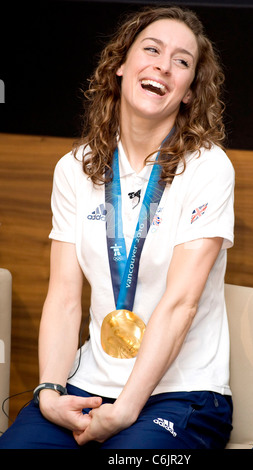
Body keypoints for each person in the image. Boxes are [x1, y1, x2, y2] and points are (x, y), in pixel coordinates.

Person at [0, 5, 235, 449]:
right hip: (85, 385)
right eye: (151, 50)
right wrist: (49, 391)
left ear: (188, 91)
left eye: (182, 61)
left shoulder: (208, 168)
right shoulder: (74, 168)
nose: (163, 66)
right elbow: (65, 297)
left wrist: (126, 409)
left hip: (180, 395)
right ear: (121, 66)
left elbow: (180, 304)